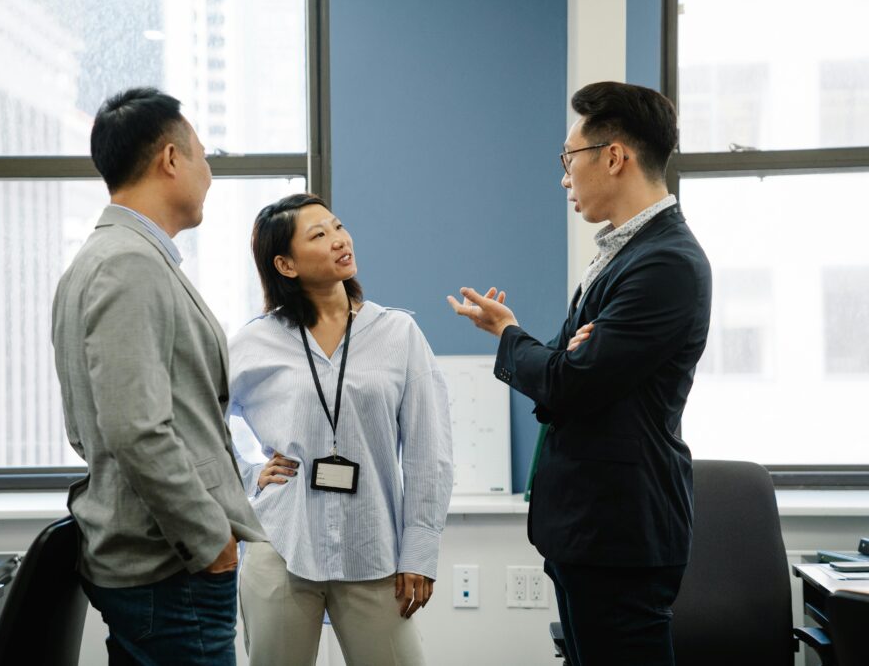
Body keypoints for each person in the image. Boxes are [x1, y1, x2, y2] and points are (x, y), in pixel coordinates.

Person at [449, 81, 712, 666]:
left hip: (619, 531)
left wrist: (513, 338)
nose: (564, 178)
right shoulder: (624, 252)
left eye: (569, 160)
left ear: (613, 156)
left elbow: (570, 383)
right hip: (588, 527)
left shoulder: (665, 261)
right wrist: (562, 358)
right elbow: (572, 372)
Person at [52, 87, 265, 665]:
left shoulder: (107, 258)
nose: (211, 175)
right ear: (171, 160)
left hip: (157, 560)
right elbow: (134, 427)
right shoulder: (128, 263)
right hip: (171, 564)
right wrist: (209, 540)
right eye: (202, 156)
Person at [227, 193, 453, 666]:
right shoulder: (255, 341)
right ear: (285, 265)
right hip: (282, 543)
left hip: (374, 548)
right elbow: (202, 420)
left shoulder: (398, 334)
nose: (339, 240)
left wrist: (420, 551)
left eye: (338, 227)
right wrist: (249, 475)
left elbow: (428, 452)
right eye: (319, 235)